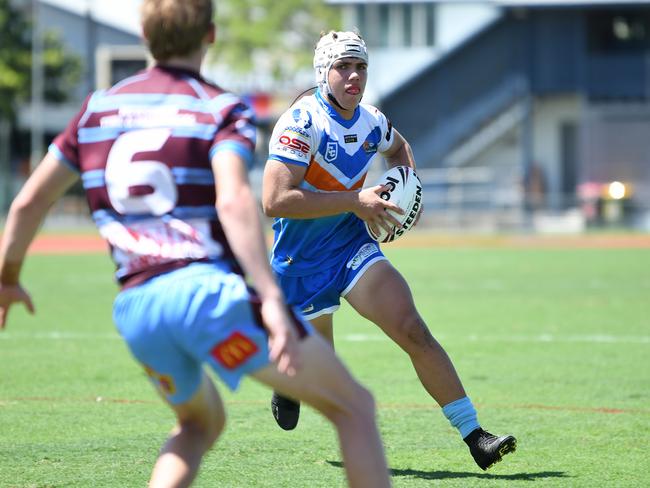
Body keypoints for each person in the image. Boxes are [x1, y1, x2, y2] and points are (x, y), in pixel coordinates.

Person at [0, 5, 391, 487]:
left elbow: (26, 205)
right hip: (206, 298)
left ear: (143, 34)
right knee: (354, 408)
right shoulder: (219, 108)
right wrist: (271, 296)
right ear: (209, 34)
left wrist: (7, 278)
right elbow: (234, 201)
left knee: (198, 424)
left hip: (137, 311)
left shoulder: (96, 110)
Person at [263, 30, 517, 471]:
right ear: (324, 72)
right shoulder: (301, 123)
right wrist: (353, 200)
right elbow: (274, 201)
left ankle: (476, 436)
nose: (354, 76)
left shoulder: (372, 121)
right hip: (299, 264)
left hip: (351, 246)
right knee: (322, 371)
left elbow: (399, 149)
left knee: (412, 328)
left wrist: (407, 194)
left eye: (360, 67)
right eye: (343, 67)